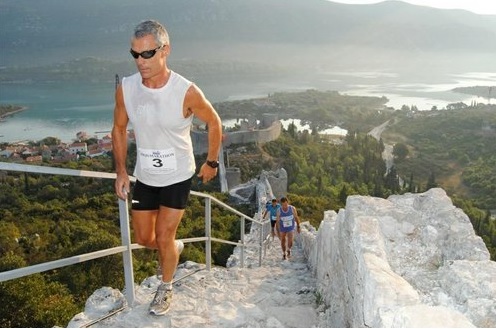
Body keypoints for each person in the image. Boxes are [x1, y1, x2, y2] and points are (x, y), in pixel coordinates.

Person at [112, 19, 222, 316]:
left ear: (165, 51)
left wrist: (211, 162)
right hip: (145, 175)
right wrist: (121, 171)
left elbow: (214, 122)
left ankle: (166, 287)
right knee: (145, 239)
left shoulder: (186, 91)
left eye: (147, 54)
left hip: (177, 175)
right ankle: (175, 249)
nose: (140, 61)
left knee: (163, 236)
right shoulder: (126, 88)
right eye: (135, 54)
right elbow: (119, 128)